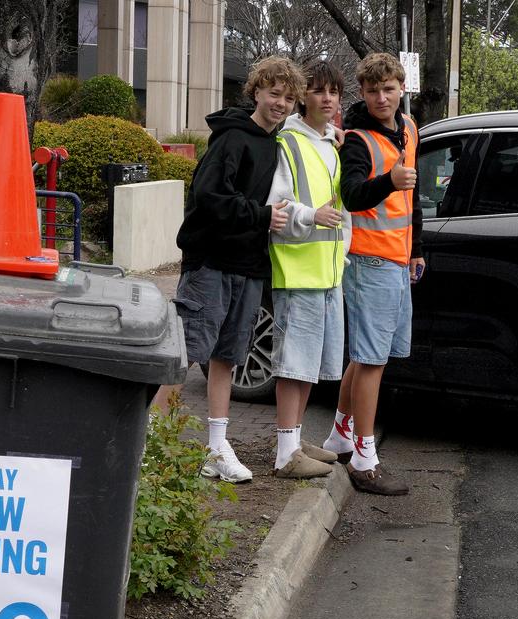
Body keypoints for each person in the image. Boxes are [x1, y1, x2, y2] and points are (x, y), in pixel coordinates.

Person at [153, 56, 305, 483]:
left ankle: (216, 447)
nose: (280, 103)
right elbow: (209, 195)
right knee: (184, 355)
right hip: (211, 264)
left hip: (250, 267)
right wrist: (260, 215)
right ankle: (150, 441)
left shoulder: (276, 144)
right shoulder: (231, 140)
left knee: (226, 359)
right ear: (255, 91)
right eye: (274, 93)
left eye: (289, 98)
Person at [321, 52, 424, 495]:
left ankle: (341, 435)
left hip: (397, 262)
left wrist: (417, 248)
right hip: (369, 261)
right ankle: (364, 457)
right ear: (362, 93)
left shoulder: (409, 128)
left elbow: (413, 194)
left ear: (402, 87)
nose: (381, 97)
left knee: (367, 358)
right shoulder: (361, 140)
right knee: (371, 361)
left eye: (388, 89)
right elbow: (352, 194)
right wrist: (390, 181)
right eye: (372, 91)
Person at [264, 59, 352, 478]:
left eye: (333, 91)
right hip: (298, 271)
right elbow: (275, 205)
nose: (328, 98)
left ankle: (295, 443)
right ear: (304, 97)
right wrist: (310, 217)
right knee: (294, 366)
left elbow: (340, 210)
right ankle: (285, 453)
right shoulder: (289, 142)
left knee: (310, 368)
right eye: (318, 90)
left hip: (327, 272)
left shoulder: (330, 144)